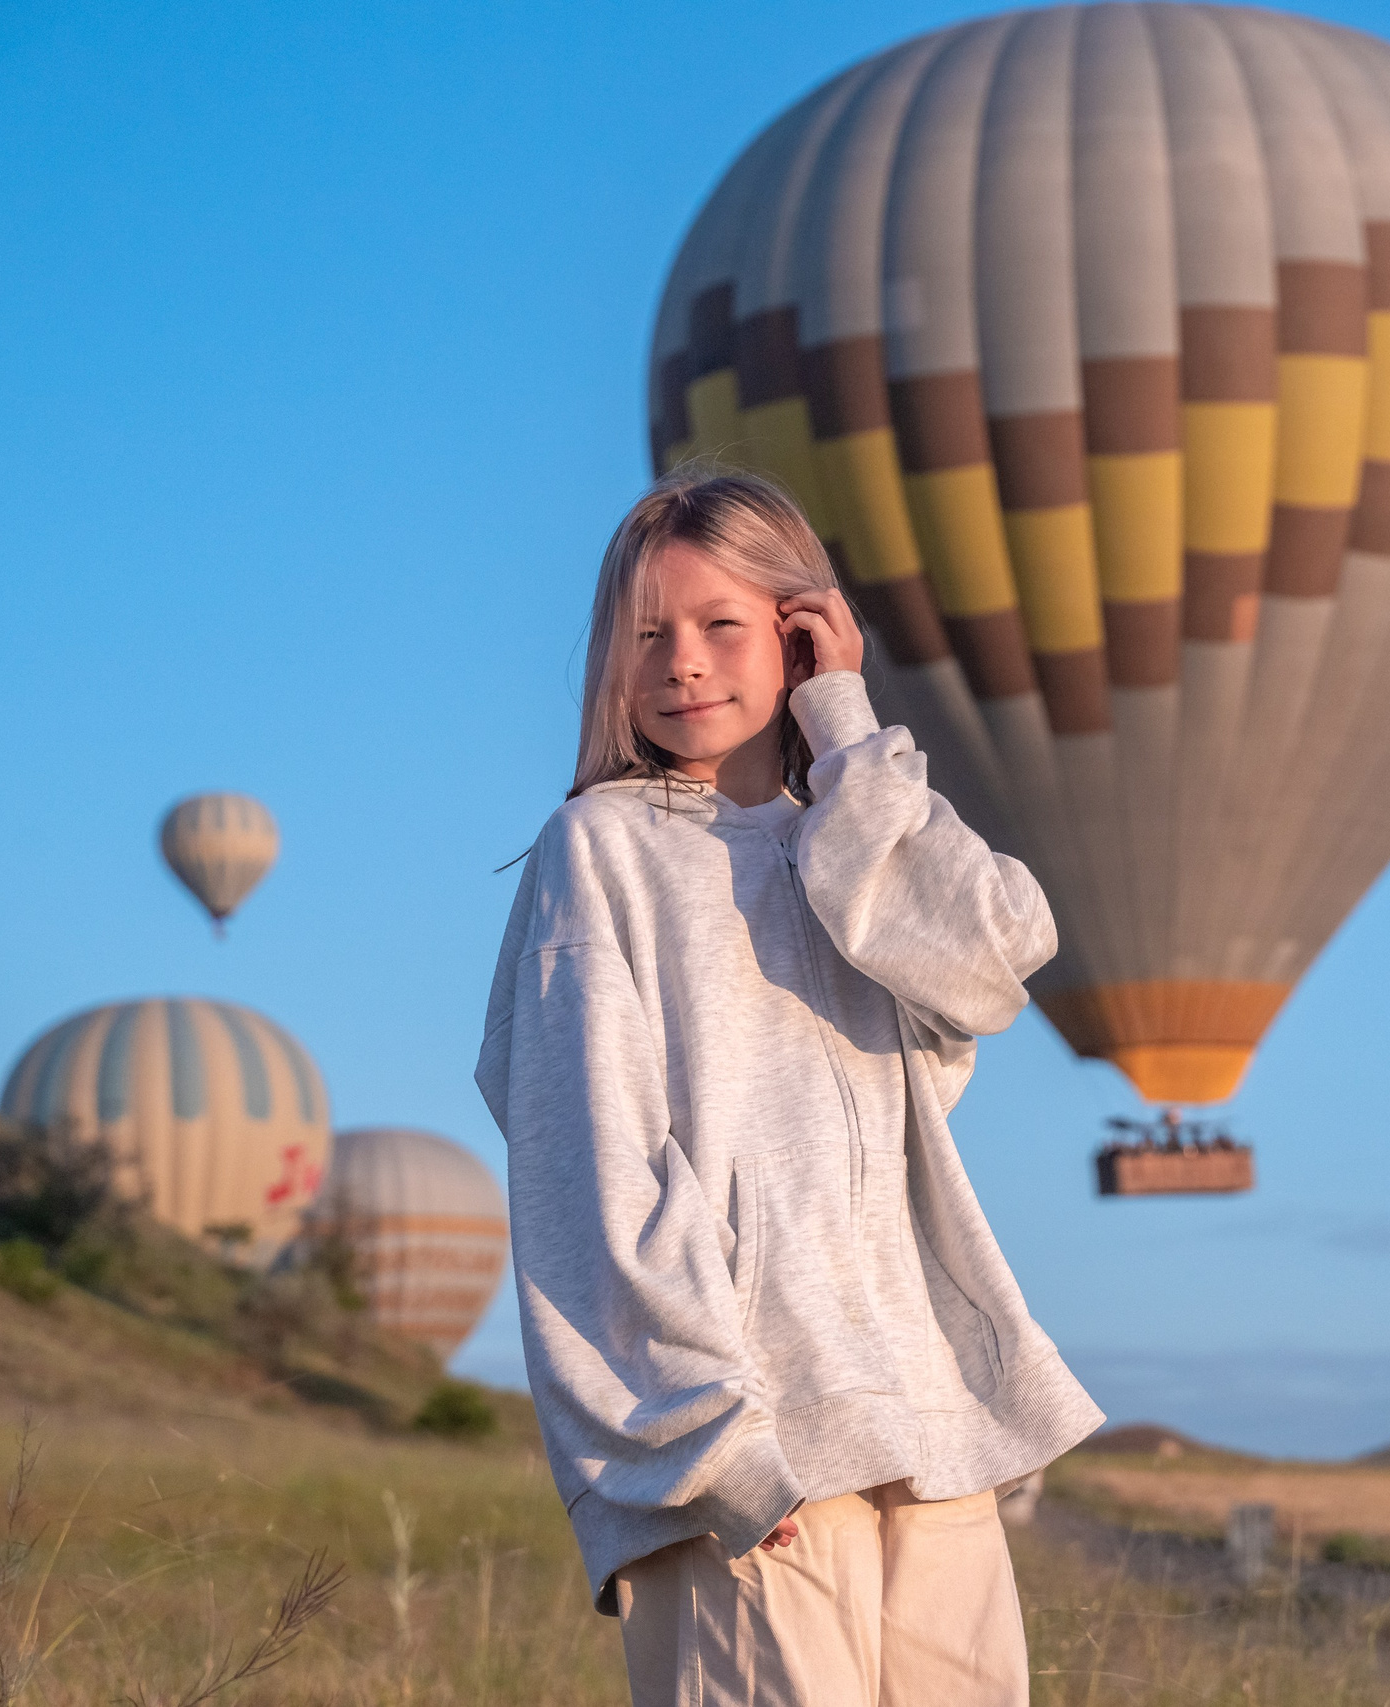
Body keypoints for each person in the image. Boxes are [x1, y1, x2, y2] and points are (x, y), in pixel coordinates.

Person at [476, 469, 1103, 1705]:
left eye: (723, 624)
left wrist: (849, 731)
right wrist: (710, 1457)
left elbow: (992, 955)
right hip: (749, 1459)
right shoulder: (598, 852)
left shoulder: (853, 835)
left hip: (935, 1438)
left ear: (798, 630)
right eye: (646, 632)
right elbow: (589, 1173)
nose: (683, 663)